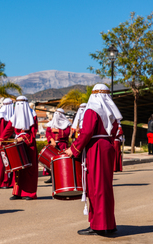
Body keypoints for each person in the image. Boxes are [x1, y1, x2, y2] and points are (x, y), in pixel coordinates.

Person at [64, 84, 122, 236]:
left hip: (95, 149)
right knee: (105, 187)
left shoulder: (92, 110)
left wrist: (74, 148)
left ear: (94, 95)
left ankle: (99, 225)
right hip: (107, 147)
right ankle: (108, 223)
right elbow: (115, 131)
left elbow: (87, 132)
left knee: (96, 188)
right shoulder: (111, 112)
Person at [0, 96, 38, 200]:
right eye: (17, 103)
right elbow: (8, 129)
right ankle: (17, 193)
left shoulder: (32, 115)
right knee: (18, 170)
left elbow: (33, 133)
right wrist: (0, 140)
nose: (19, 106)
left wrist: (23, 138)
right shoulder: (15, 116)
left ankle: (30, 194)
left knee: (29, 170)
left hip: (29, 146)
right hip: (18, 145)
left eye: (21, 103)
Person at [43, 108, 71, 183]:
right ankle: (52, 177)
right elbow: (48, 133)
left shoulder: (67, 124)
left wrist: (58, 130)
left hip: (62, 145)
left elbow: (67, 132)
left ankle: (63, 177)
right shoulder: (51, 123)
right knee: (51, 161)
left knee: (62, 162)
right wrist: (51, 140)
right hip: (53, 145)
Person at [0, 98, 15, 189]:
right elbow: (3, 131)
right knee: (4, 162)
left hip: (4, 140)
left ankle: (6, 182)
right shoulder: (2, 117)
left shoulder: (1, 115)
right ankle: (3, 182)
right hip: (4, 141)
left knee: (7, 162)